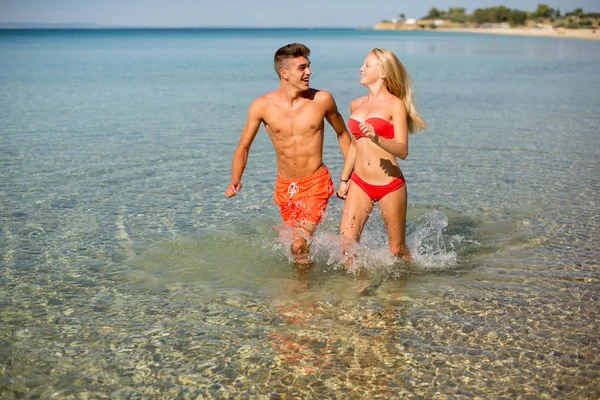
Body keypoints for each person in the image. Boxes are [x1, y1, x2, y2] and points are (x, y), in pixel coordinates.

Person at [225, 43, 351, 289]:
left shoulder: (322, 99)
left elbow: (343, 135)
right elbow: (243, 146)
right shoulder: (262, 106)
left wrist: (350, 176)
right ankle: (307, 284)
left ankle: (302, 293)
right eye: (302, 68)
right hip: (285, 187)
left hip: (316, 181)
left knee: (298, 243)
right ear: (284, 73)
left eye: (308, 67)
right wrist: (235, 178)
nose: (309, 73)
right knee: (298, 247)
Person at [337, 48, 427, 290]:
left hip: (389, 185)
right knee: (346, 242)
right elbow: (355, 146)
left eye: (367, 65)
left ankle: (414, 280)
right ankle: (362, 282)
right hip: (359, 182)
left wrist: (378, 140)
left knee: (396, 249)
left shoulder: (394, 105)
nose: (361, 69)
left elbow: (403, 150)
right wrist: (344, 179)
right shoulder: (356, 104)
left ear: (383, 72)